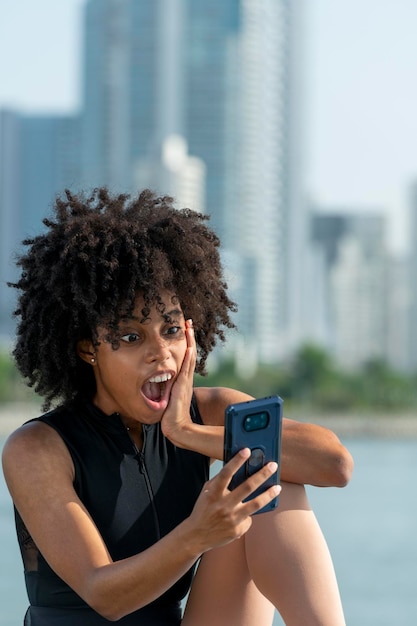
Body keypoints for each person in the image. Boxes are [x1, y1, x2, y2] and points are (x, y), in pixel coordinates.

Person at [2, 188, 353, 626]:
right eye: (131, 337)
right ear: (89, 348)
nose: (161, 353)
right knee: (257, 466)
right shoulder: (37, 448)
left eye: (170, 329)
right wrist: (197, 534)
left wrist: (189, 433)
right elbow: (102, 594)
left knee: (268, 474)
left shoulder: (204, 412)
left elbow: (335, 465)